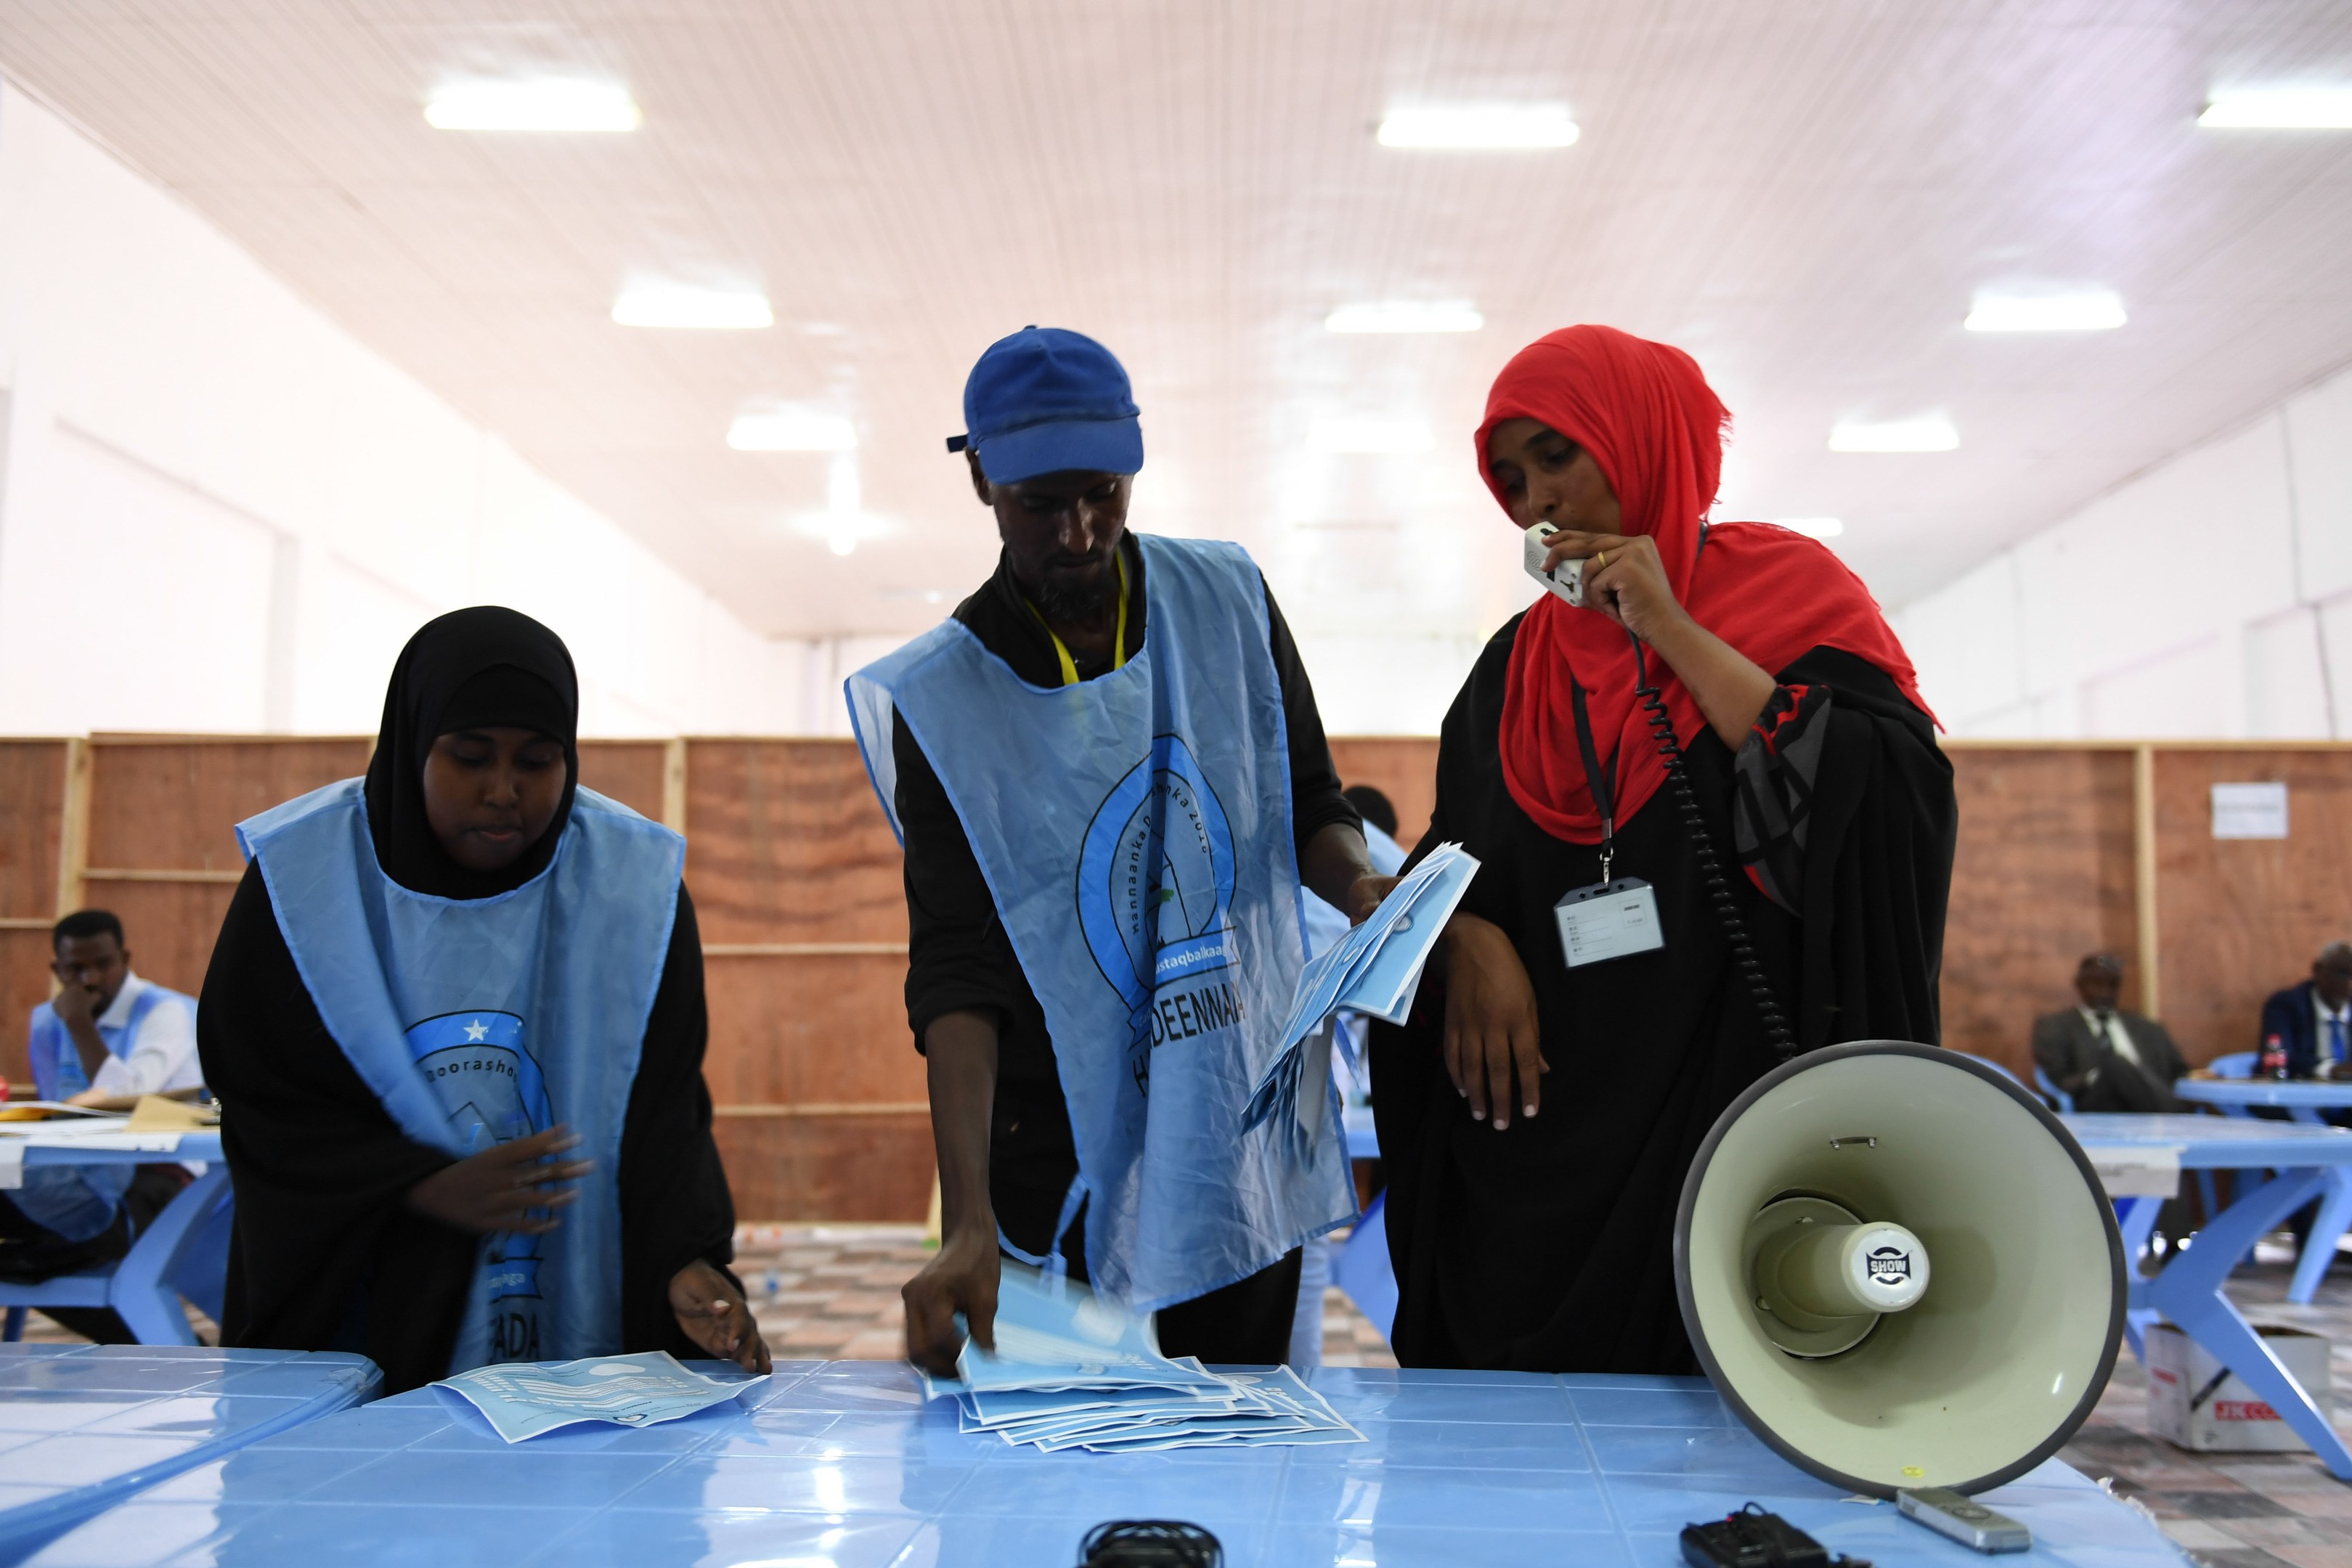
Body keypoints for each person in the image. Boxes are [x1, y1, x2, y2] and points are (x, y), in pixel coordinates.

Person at [1371, 324, 1956, 1375]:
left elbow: (1875, 813)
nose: (1531, 498)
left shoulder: (1792, 595)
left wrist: (1670, 629)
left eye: (1556, 456)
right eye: (1507, 477)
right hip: (1536, 1161)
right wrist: (1464, 939)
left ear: (1642, 441)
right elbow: (1441, 869)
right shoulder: (1513, 669)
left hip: (1735, 1135)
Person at [848, 327, 1393, 1374]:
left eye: (1102, 492)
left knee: (1232, 1474)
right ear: (979, 481)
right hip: (1053, 1154)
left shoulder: (1226, 603)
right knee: (1063, 1493)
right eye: (1038, 504)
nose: (1077, 530)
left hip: (1227, 1124)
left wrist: (1362, 886)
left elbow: (1309, 804)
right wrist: (962, 1221)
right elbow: (957, 970)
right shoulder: (946, 698)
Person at [197, 607, 765, 1392]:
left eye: (538, 760)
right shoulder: (309, 877)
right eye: (469, 757)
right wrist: (414, 1181)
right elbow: (267, 1100)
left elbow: (662, 1111)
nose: (504, 792)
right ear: (412, 741)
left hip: (576, 1293)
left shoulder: (629, 886)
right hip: (373, 1307)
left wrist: (685, 1261)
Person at [1, 910, 203, 1323]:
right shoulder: (46, 1020)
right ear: (56, 970)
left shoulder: (163, 1012)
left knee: (67, 1252)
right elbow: (55, 1107)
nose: (91, 979)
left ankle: (156, 1346)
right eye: (75, 969)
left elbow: (130, 1094)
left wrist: (80, 1026)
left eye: (103, 964)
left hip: (161, 1169)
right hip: (84, 1167)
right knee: (20, 1222)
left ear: (125, 959)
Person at [2032, 953, 2185, 1111]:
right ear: (2079, 985)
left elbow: (2179, 1071)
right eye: (2096, 984)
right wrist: (2095, 1075)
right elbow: (2058, 1078)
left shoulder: (2148, 1028)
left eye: (2112, 985)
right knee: (2114, 1063)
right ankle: (2171, 1114)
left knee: (2124, 1067)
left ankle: (2168, 1111)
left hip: (2148, 1096)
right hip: (2094, 1102)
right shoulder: (2056, 1026)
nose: (2104, 993)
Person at [2261, 942, 2352, 1080]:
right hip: (2299, 1095)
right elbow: (2280, 1058)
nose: (2349, 984)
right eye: (2342, 974)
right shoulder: (2285, 1006)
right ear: (2318, 970)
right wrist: (2331, 1069)